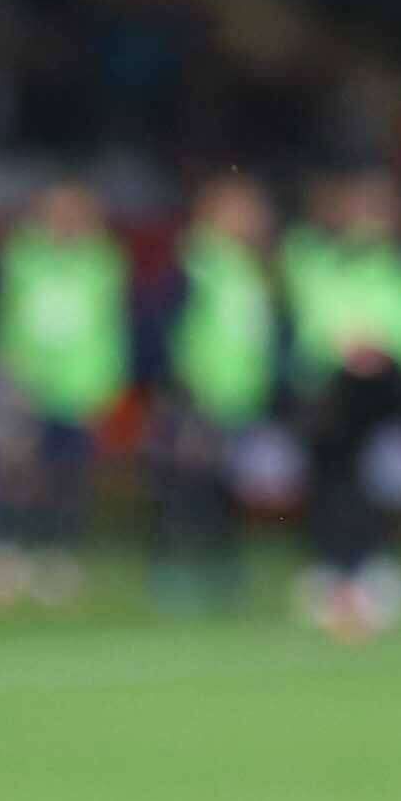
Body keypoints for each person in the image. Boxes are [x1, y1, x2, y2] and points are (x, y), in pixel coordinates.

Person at [282, 164, 401, 638]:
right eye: (360, 204)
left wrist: (384, 353)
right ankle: (336, 569)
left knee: (359, 478)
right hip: (324, 384)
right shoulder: (316, 255)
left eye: (377, 207)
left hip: (377, 387)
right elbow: (312, 312)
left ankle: (364, 569)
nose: (366, 216)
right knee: (330, 476)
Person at [0, 177, 126, 608]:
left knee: (68, 474)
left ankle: (57, 557)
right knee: (18, 470)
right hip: (26, 381)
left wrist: (105, 382)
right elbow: (2, 314)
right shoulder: (21, 256)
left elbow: (109, 325)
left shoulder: (102, 260)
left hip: (79, 386)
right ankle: (5, 554)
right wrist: (7, 371)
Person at [149, 169, 281, 606]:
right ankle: (177, 572)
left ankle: (221, 571)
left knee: (223, 485)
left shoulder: (257, 267)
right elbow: (169, 326)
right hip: (196, 394)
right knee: (189, 482)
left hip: (237, 396)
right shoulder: (197, 264)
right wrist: (181, 385)